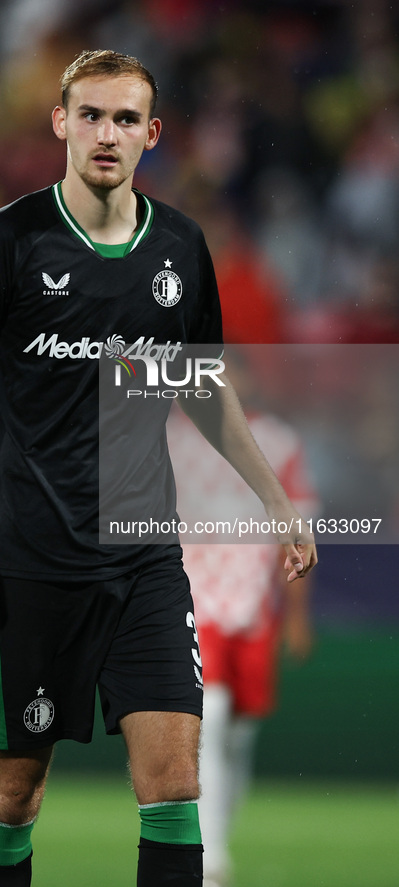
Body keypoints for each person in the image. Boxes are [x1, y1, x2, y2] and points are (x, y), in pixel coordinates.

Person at [0, 49, 317, 887]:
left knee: (173, 785)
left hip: (143, 560)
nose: (106, 133)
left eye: (125, 119)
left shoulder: (178, 248)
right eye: (90, 114)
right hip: (27, 565)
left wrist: (277, 500)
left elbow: (199, 389)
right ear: (60, 121)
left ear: (152, 134)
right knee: (14, 794)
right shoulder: (5, 245)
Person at [167, 355, 319, 887]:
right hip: (194, 597)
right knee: (212, 714)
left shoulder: (279, 442)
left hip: (254, 606)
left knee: (240, 737)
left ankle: (220, 831)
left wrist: (298, 612)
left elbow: (299, 530)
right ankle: (211, 856)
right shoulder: (173, 437)